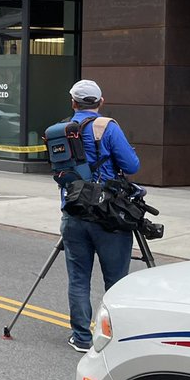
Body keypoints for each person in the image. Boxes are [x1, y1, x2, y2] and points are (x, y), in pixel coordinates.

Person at [60, 79, 140, 354]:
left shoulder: (62, 130)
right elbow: (132, 166)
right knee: (115, 280)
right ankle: (114, 337)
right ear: (100, 102)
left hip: (73, 212)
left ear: (73, 103)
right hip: (108, 215)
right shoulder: (108, 127)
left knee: (79, 277)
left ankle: (81, 337)